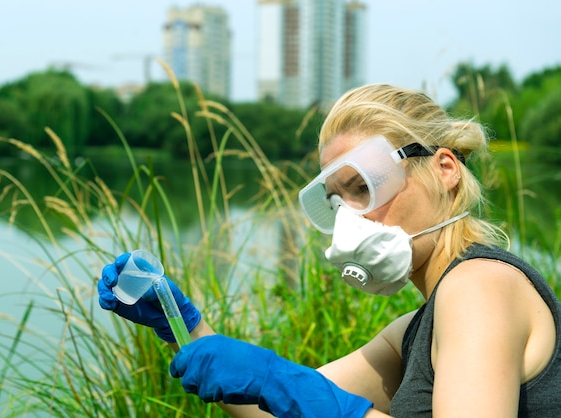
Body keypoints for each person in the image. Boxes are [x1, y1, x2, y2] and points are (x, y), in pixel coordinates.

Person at [98, 84, 561, 417]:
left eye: (365, 186)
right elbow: (285, 408)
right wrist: (187, 329)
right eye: (338, 200)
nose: (351, 219)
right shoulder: (416, 330)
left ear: (444, 169)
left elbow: (305, 400)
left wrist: (282, 382)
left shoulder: (479, 287)